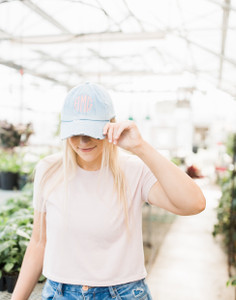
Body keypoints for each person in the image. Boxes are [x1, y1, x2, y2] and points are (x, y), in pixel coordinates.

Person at [11, 82, 206, 300]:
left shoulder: (133, 170)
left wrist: (140, 147)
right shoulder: (48, 170)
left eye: (91, 131)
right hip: (59, 293)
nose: (83, 141)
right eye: (75, 131)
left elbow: (194, 203)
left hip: (122, 294)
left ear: (110, 125)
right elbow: (38, 242)